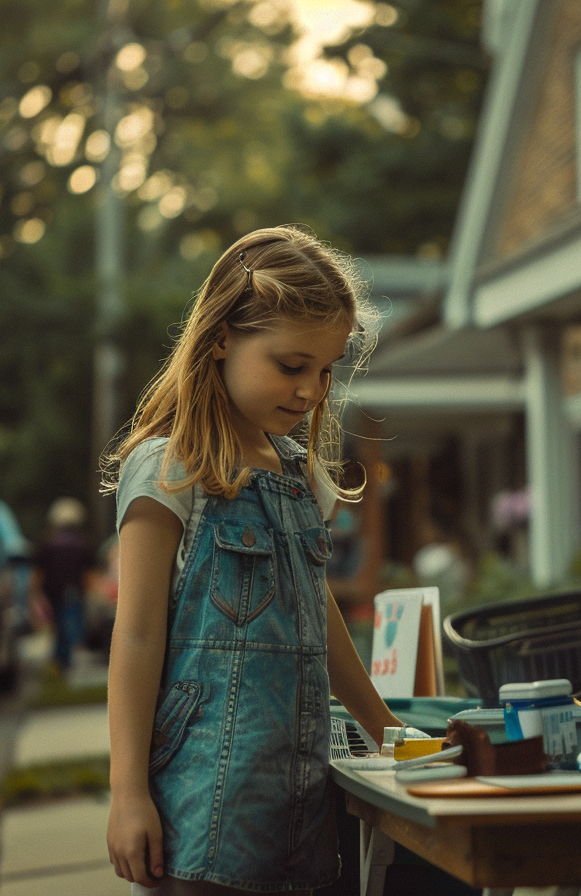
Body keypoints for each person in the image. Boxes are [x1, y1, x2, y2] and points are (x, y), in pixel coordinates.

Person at [102, 226, 405, 895]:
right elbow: (139, 634)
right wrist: (127, 794)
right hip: (204, 804)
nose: (310, 391)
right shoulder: (168, 468)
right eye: (291, 366)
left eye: (325, 371)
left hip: (303, 802)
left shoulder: (300, 474)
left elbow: (315, 608)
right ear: (221, 340)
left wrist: (387, 728)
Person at [33, 496, 97, 672]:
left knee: (59, 628)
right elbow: (89, 575)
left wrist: (35, 595)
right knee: (68, 627)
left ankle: (60, 661)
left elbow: (38, 573)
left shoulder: (47, 544)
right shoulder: (83, 545)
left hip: (52, 593)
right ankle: (63, 661)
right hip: (72, 593)